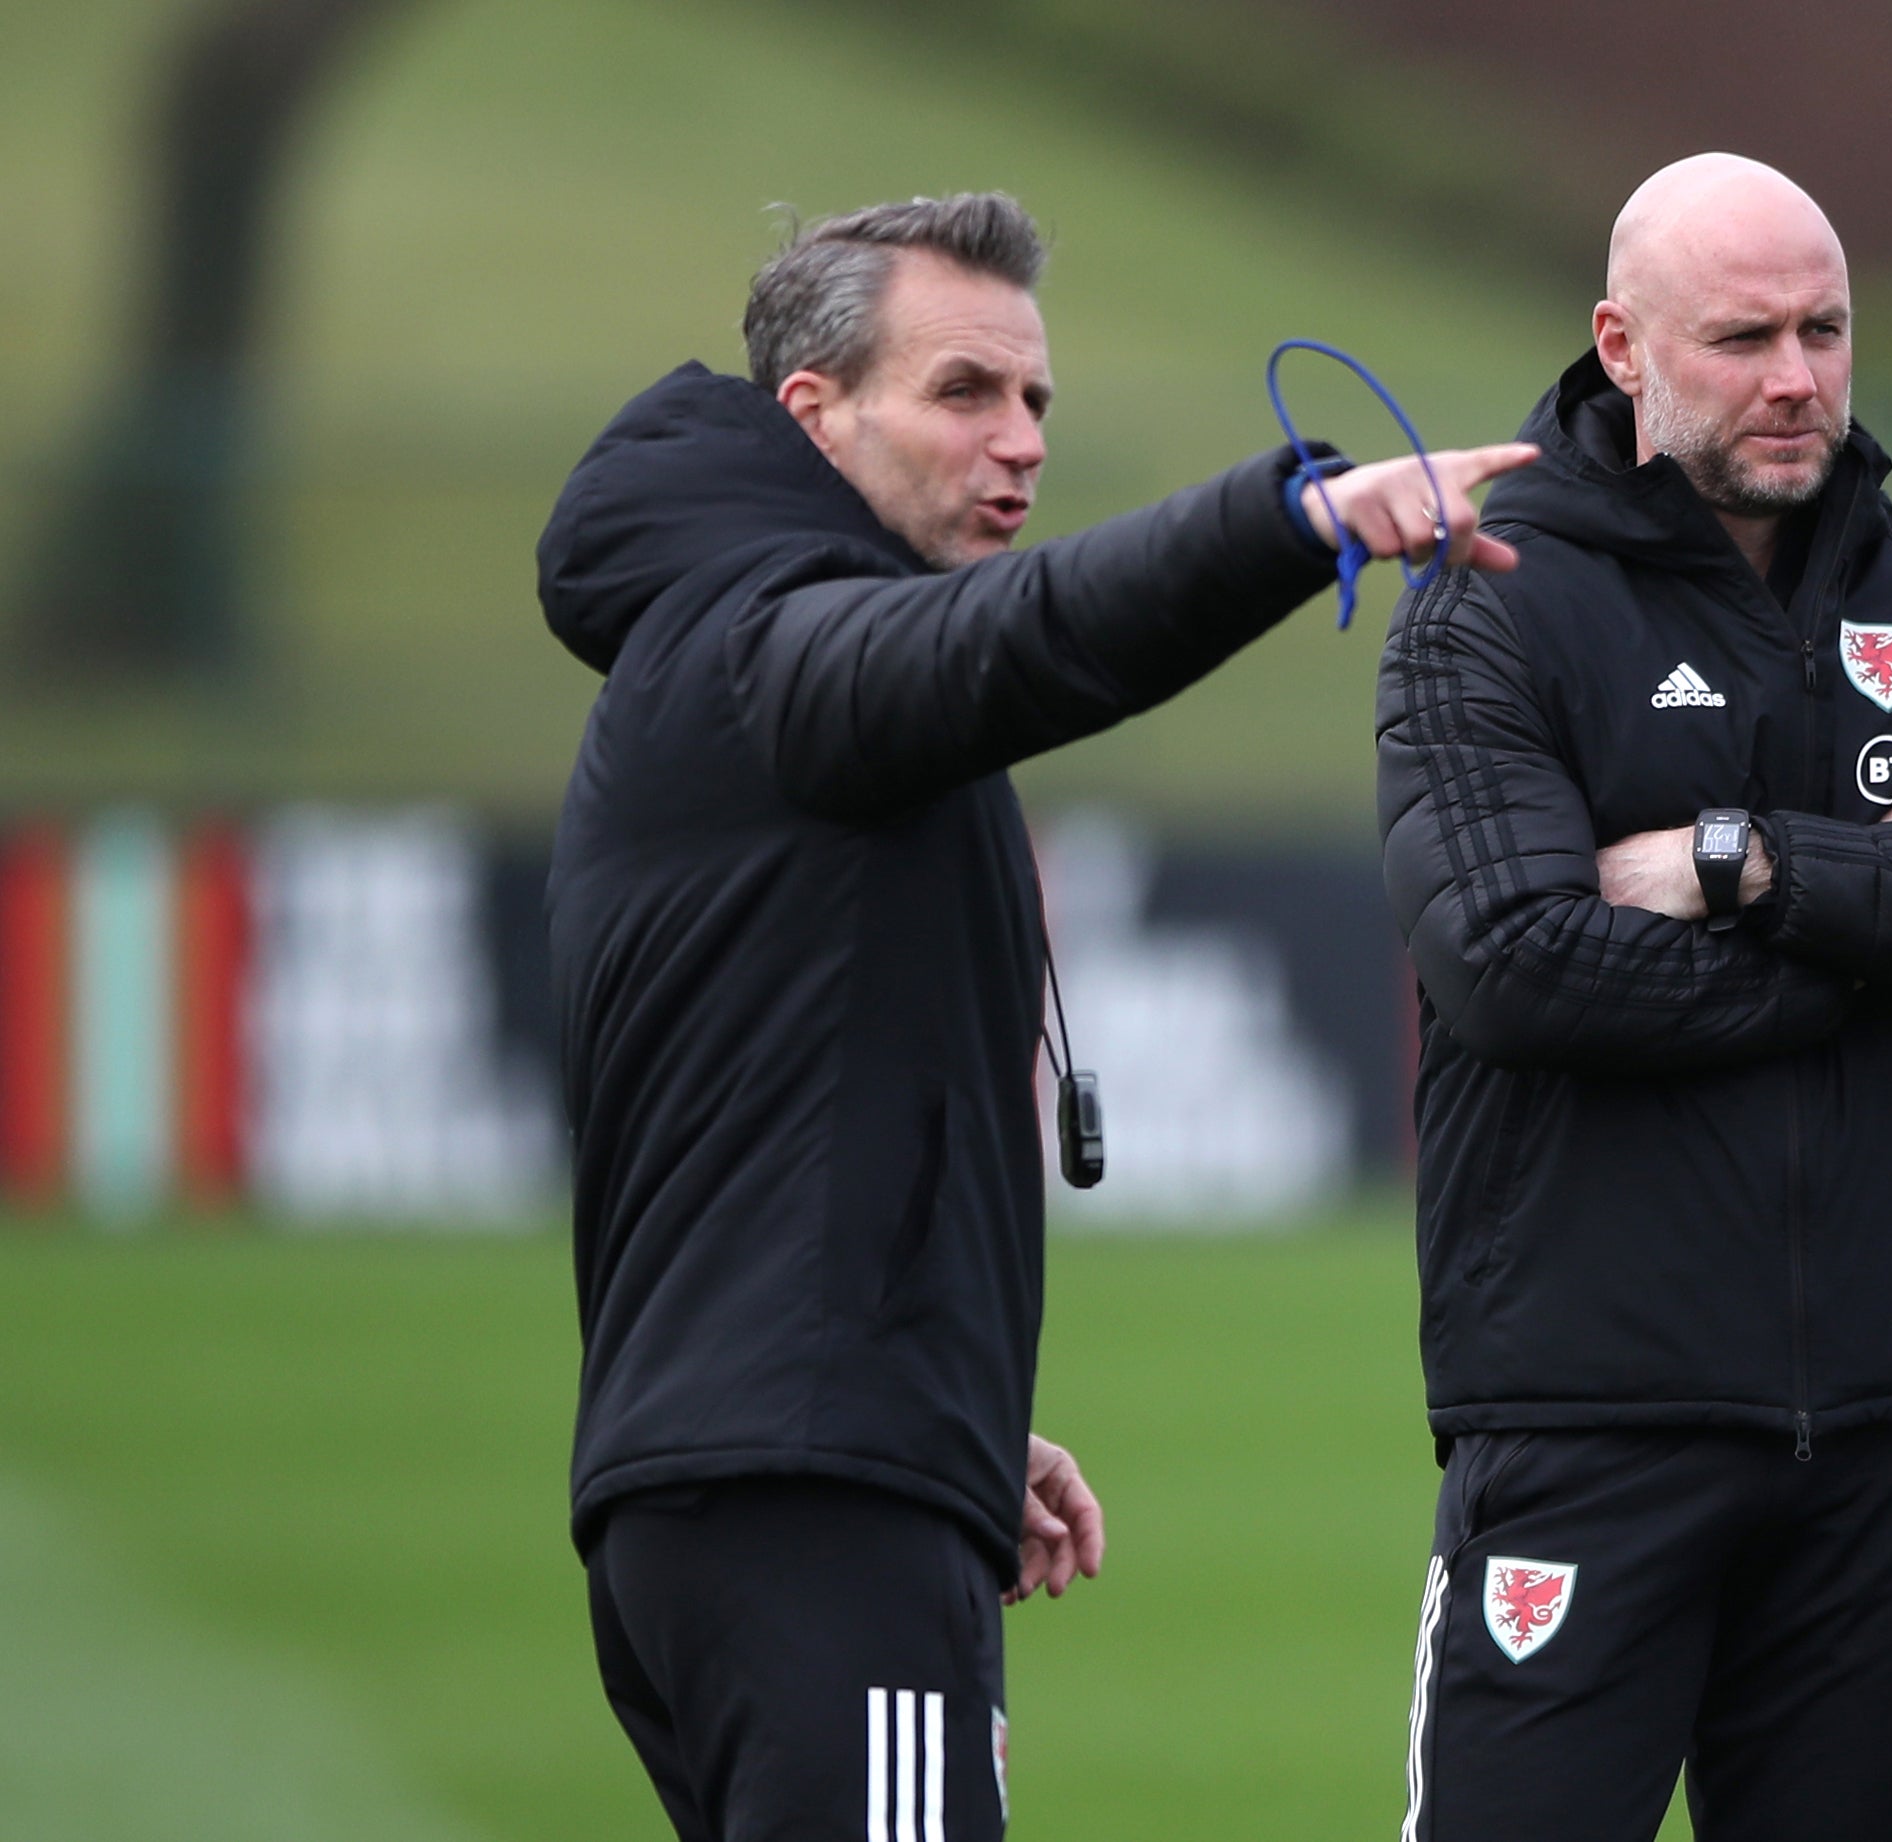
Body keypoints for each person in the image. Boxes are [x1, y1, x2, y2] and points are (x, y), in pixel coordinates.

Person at [536, 192, 1533, 1842]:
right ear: (815, 414)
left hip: (787, 1470)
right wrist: (1299, 526)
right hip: (809, 1506)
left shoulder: (746, 649)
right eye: (962, 393)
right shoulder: (770, 649)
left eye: (1036, 402)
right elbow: (1034, 639)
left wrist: (950, 1407)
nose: (1018, 442)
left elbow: (810, 1106)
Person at [1375, 153, 1892, 1842]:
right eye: (1741, 337)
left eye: (1824, 330)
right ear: (1622, 346)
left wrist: (1747, 863)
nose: (1795, 378)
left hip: (1890, 1431)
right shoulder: (1487, 605)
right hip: (1588, 1415)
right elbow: (1512, 962)